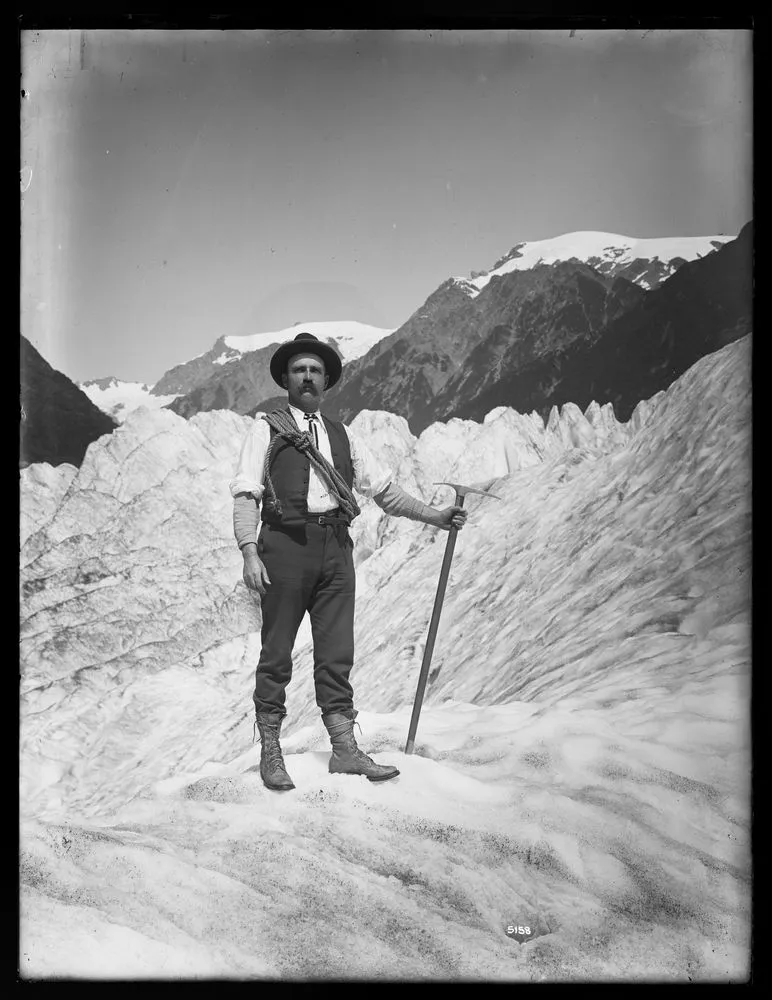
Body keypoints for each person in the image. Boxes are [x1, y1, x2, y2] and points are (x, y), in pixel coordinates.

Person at [229, 331, 468, 791]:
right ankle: (271, 752)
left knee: (337, 652)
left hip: (336, 548)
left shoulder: (342, 434)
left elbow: (384, 492)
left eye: (315, 370)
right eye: (299, 369)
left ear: (326, 381)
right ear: (285, 378)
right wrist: (249, 550)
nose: (307, 377)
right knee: (276, 652)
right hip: (284, 547)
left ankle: (344, 749)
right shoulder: (266, 429)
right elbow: (246, 495)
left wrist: (435, 517)